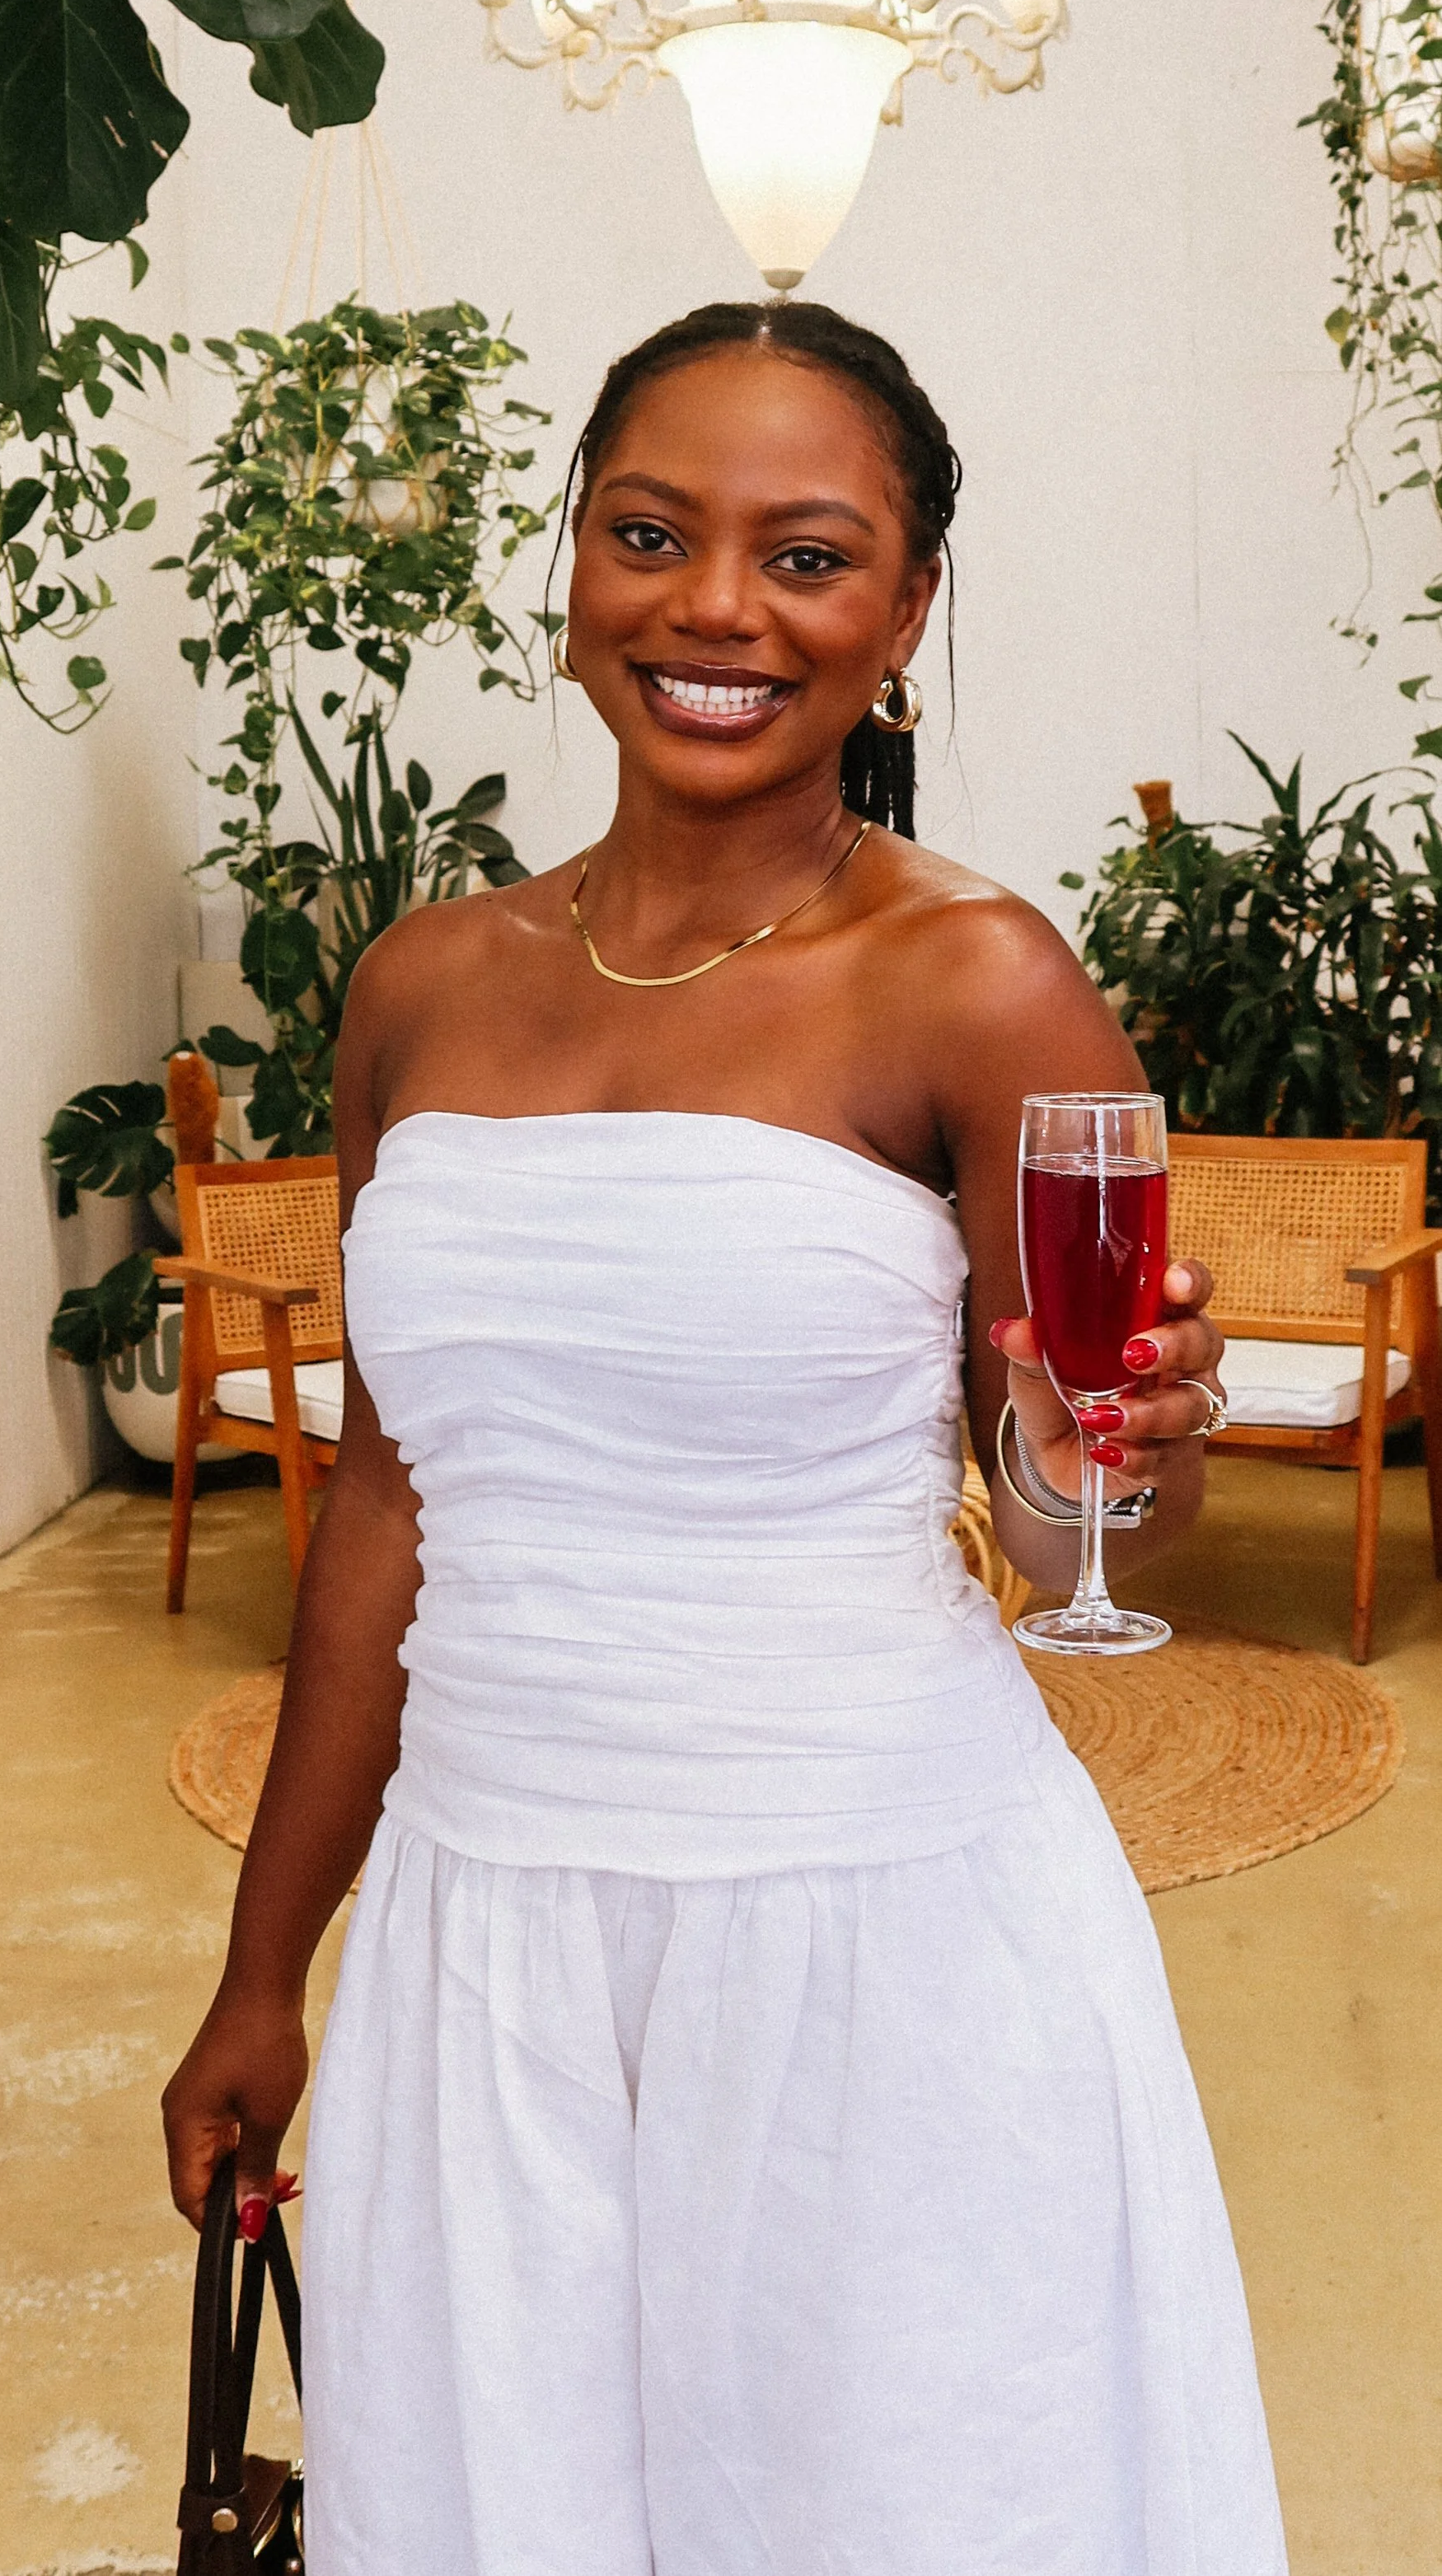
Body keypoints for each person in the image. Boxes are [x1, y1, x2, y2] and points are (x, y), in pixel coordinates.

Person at [162, 301, 1287, 2575]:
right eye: (654, 532)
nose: (715, 611)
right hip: (487, 1939)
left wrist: (1124, 1449)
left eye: (808, 556)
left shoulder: (982, 984)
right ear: (573, 555)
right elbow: (393, 1499)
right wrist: (269, 1970)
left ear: (907, 611)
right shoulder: (420, 987)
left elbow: (1090, 1489)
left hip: (880, 1934)